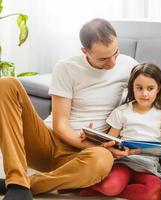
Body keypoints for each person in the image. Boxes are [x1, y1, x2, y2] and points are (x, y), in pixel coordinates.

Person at [0, 18, 139, 200]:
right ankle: (17, 180)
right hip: (48, 143)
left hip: (83, 155)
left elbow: (154, 89)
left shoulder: (129, 66)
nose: (112, 62)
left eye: (115, 53)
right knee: (6, 84)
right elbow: (60, 125)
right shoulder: (67, 68)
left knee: (102, 159)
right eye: (104, 58)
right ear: (85, 52)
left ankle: (21, 185)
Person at [79, 63, 161, 200]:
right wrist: (92, 137)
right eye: (139, 88)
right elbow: (108, 142)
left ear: (159, 88)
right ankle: (89, 186)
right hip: (124, 163)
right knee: (111, 186)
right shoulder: (122, 112)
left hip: (149, 167)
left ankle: (95, 189)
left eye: (150, 88)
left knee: (155, 193)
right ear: (132, 87)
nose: (144, 93)